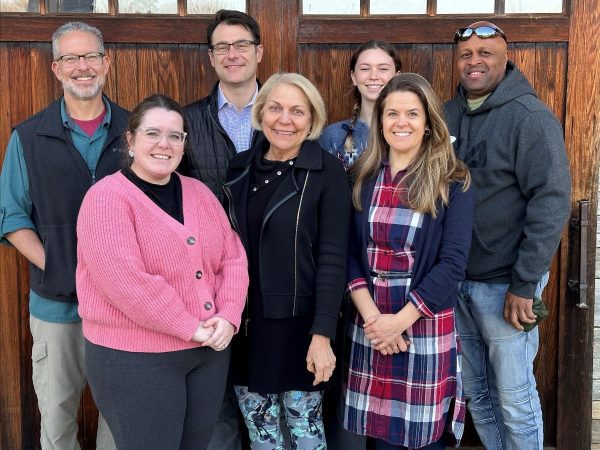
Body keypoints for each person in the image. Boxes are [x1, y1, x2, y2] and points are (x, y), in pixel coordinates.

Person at [75, 94, 249, 449]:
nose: (164, 144)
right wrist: (191, 327)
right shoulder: (106, 199)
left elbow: (233, 257)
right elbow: (125, 282)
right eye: (153, 133)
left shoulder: (199, 193)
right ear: (131, 140)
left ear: (184, 144)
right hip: (136, 360)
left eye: (175, 136)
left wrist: (229, 316)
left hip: (207, 355)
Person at [444, 21, 571, 450]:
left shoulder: (530, 118)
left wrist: (523, 283)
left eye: (485, 54)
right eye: (466, 55)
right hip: (456, 280)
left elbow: (551, 202)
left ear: (504, 58)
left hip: (505, 285)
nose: (474, 62)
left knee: (514, 397)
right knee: (476, 389)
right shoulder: (446, 115)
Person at [0, 21, 126, 450]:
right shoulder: (28, 137)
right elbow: (13, 218)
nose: (82, 67)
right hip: (56, 308)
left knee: (122, 420)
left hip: (126, 308)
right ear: (56, 69)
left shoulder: (136, 131)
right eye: (71, 58)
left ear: (106, 63)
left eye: (91, 56)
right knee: (56, 419)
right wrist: (59, 267)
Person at [345, 73, 474, 450]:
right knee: (379, 441)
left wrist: (398, 324)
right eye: (392, 113)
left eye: (412, 114)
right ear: (380, 120)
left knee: (422, 440)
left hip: (421, 324)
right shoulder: (360, 177)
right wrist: (375, 322)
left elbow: (452, 265)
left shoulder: (454, 181)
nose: (401, 122)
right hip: (369, 324)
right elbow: (348, 253)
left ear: (429, 122)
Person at [222, 72, 351, 449]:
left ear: (312, 120)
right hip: (246, 326)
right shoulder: (240, 166)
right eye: (275, 108)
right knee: (261, 433)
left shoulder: (327, 172)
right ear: (261, 113)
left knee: (305, 430)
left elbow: (332, 259)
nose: (285, 119)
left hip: (301, 329)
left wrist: (322, 335)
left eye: (298, 111)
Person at [181, 9, 264, 200]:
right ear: (211, 57)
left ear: (258, 52)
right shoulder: (186, 121)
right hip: (208, 230)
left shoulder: (286, 120)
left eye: (242, 45)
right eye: (222, 47)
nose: (232, 55)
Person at [319, 40, 401, 168]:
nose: (373, 76)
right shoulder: (333, 136)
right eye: (365, 68)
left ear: (397, 76)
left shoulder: (406, 132)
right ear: (354, 77)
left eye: (383, 69)